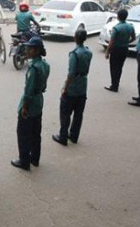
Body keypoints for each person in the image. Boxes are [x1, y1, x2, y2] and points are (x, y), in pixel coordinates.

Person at [11, 37, 50, 170]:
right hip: (39, 101)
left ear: (37, 50)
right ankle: (35, 158)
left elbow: (28, 91)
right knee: (35, 132)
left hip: (31, 102)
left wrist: (24, 107)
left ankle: (24, 161)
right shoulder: (45, 65)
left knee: (23, 133)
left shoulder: (33, 68)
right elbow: (44, 85)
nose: (27, 50)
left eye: (30, 48)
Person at [52, 29, 92, 146]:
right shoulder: (88, 52)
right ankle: (74, 135)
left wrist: (65, 88)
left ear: (75, 38)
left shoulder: (74, 54)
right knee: (78, 113)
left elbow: (71, 74)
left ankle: (63, 136)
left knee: (65, 113)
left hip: (73, 87)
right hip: (83, 85)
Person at [104, 9, 135, 92]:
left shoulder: (116, 28)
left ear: (118, 17)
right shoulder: (130, 26)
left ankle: (114, 85)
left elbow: (111, 42)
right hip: (124, 49)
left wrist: (107, 51)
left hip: (116, 49)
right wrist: (127, 42)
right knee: (120, 67)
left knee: (113, 67)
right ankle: (117, 83)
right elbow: (133, 38)